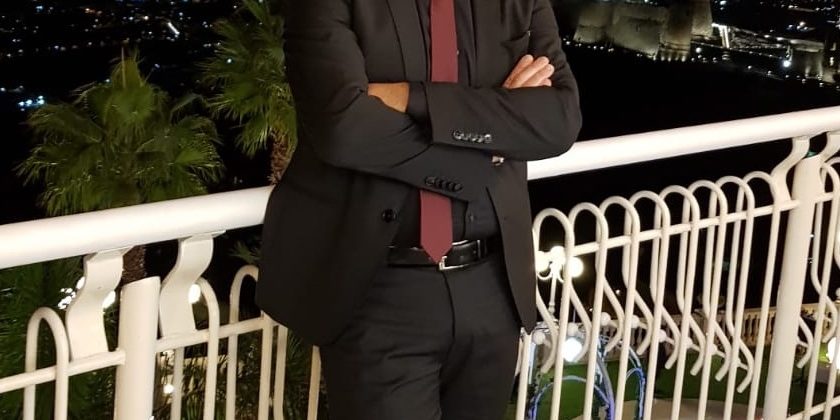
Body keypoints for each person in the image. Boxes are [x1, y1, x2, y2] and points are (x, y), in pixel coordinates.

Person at [256, 0, 581, 418]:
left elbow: (559, 119)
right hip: (380, 292)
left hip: (493, 288)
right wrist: (489, 138)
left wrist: (410, 97)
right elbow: (343, 129)